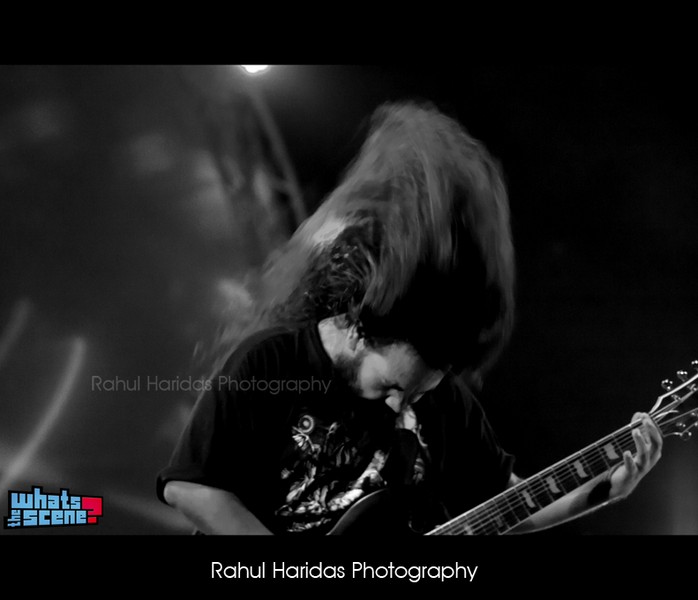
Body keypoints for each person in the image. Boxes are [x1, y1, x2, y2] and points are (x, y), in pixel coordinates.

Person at [156, 101, 662, 535]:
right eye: (394, 387)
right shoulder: (271, 362)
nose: (402, 407)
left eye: (415, 396)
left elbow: (510, 502)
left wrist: (604, 490)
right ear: (362, 329)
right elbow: (192, 487)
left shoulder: (444, 402)